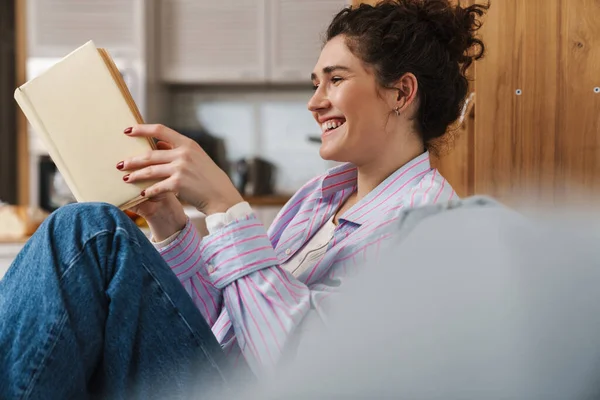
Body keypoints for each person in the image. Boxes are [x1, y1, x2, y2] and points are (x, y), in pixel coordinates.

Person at [0, 0, 487, 398]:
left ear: (402, 93)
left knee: (88, 232)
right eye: (315, 82)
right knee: (94, 231)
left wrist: (225, 208)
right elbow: (225, 318)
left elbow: (310, 369)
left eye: (335, 80)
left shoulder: (427, 227)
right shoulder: (318, 200)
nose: (314, 101)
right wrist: (170, 221)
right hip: (216, 372)